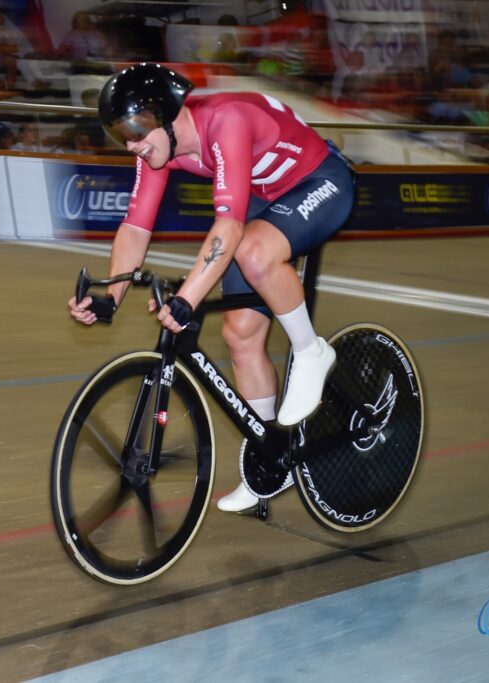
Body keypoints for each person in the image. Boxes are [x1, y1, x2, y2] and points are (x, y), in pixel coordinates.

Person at [67, 63, 356, 513]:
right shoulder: (158, 148)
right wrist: (112, 295)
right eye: (119, 133)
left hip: (320, 180)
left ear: (165, 113)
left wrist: (187, 299)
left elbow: (229, 225)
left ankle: (311, 350)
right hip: (268, 193)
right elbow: (136, 227)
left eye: (135, 129)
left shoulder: (226, 120)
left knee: (254, 252)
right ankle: (269, 460)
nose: (131, 144)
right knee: (240, 334)